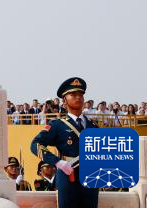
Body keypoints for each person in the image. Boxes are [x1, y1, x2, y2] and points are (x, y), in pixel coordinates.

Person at [31, 77, 100, 208]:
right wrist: (58, 162)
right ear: (64, 100)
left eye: (80, 94)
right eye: (73, 94)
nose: (78, 97)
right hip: (68, 177)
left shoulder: (93, 126)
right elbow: (35, 144)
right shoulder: (57, 125)